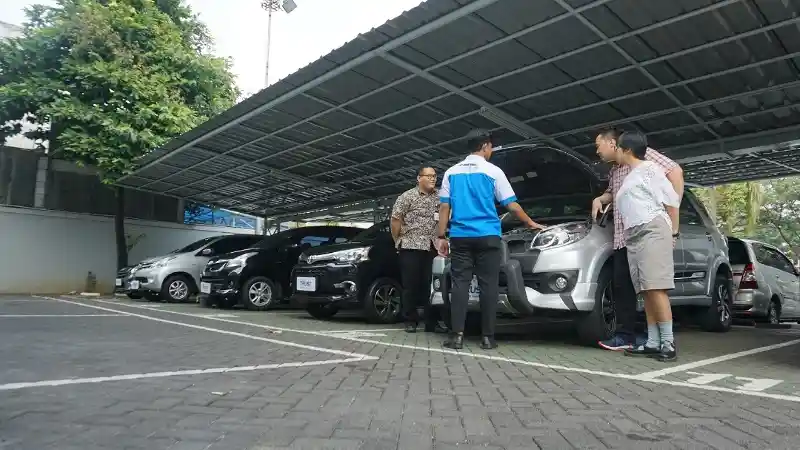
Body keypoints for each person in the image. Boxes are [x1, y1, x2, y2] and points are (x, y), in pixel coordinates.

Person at [436, 129, 543, 350]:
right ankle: (487, 338)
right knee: (489, 285)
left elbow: (444, 207)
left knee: (460, 285)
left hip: (460, 237)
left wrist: (441, 236)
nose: (491, 150)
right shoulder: (493, 171)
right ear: (485, 146)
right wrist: (530, 222)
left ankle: (457, 336)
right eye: (491, 146)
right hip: (488, 236)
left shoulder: (450, 173)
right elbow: (511, 205)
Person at [592, 127, 684, 352]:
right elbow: (617, 194)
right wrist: (601, 198)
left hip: (651, 230)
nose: (597, 151)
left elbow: (673, 189)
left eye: (598, 145)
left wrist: (673, 230)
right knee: (644, 288)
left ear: (619, 147)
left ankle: (668, 343)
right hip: (628, 235)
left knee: (655, 287)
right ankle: (652, 341)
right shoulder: (621, 172)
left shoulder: (648, 164)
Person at [391, 166, 448, 334]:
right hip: (410, 246)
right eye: (428, 176)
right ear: (418, 178)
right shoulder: (407, 196)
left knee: (432, 285)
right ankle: (410, 319)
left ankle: (432, 322)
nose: (433, 179)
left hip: (432, 247)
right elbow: (395, 220)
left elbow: (446, 214)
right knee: (411, 285)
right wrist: (398, 241)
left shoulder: (440, 196)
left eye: (434, 176)